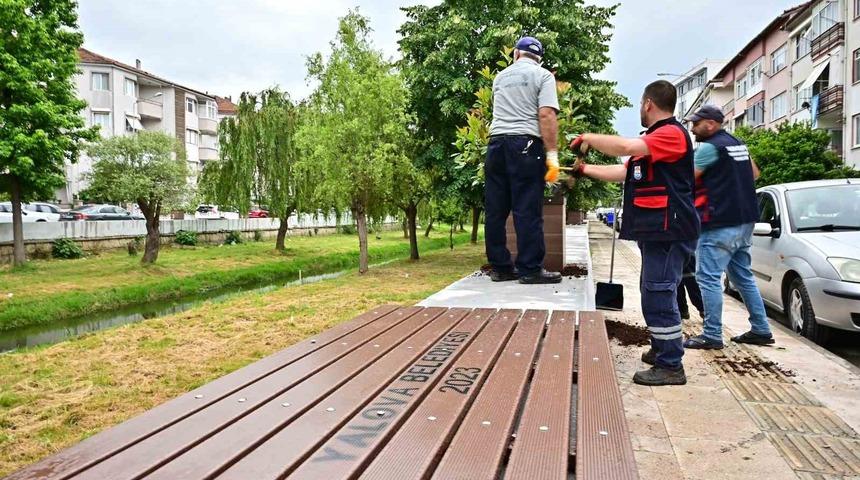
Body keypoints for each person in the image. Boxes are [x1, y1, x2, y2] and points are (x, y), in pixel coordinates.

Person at [569, 80, 699, 386]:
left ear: (648, 104)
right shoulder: (654, 141)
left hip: (669, 228)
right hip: (657, 229)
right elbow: (625, 172)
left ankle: (671, 364)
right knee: (652, 290)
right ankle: (662, 348)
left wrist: (588, 137)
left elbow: (626, 147)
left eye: (640, 103)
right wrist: (585, 170)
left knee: (659, 292)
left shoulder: (670, 134)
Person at [682, 105, 775, 349]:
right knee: (742, 276)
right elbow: (754, 173)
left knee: (708, 277)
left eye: (696, 123)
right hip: (745, 220)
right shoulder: (737, 143)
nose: (692, 128)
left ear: (711, 124)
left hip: (720, 221)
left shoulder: (710, 147)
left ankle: (712, 335)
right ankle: (761, 329)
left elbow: (687, 180)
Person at [484, 36, 562, 284]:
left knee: (496, 210)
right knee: (527, 208)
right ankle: (529, 269)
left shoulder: (500, 77)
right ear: (538, 58)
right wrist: (551, 155)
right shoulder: (543, 76)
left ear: (516, 54)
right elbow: (547, 114)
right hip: (526, 145)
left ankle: (500, 268)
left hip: (496, 145)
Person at [677, 253, 704, 319]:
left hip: (686, 252)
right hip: (676, 253)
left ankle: (703, 310)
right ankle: (682, 311)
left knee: (692, 284)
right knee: (677, 285)